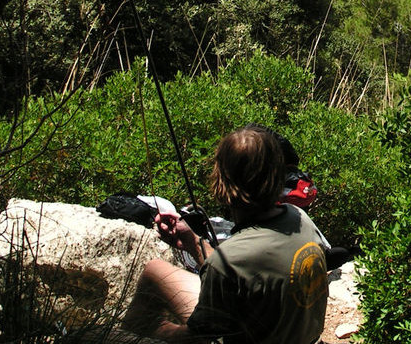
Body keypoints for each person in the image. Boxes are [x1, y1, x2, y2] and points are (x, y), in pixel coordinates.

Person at [122, 126, 328, 343]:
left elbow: (197, 337)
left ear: (221, 182)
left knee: (143, 292)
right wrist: (193, 241)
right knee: (155, 269)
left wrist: (154, 328)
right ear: (279, 175)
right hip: (296, 335)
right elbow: (238, 269)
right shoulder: (299, 218)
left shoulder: (228, 261)